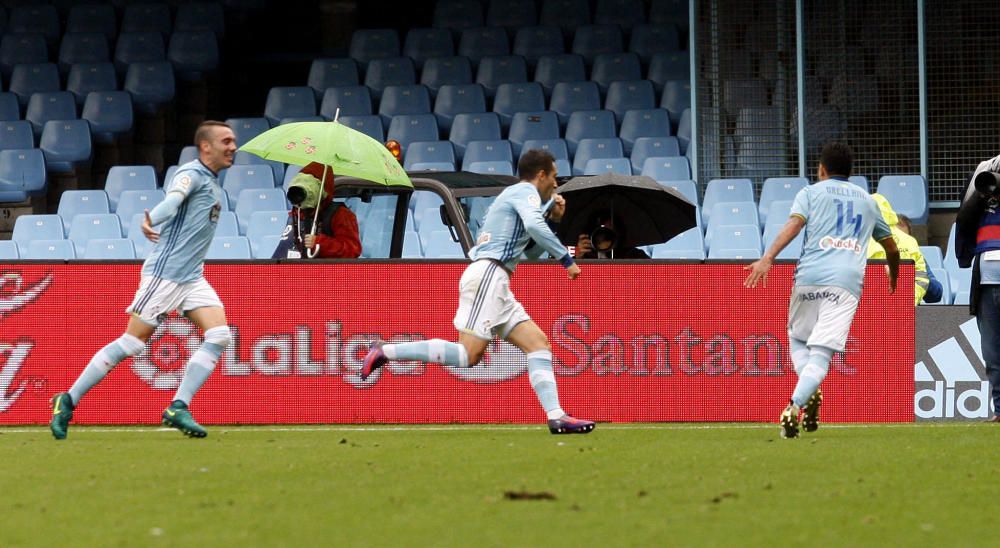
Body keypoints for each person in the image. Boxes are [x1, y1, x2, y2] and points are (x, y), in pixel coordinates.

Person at [360, 149, 595, 434]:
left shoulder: (518, 200)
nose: (556, 184)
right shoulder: (524, 191)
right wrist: (566, 259)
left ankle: (557, 415)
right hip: (488, 275)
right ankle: (386, 350)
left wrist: (551, 218)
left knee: (538, 344)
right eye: (554, 177)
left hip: (497, 279)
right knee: (466, 356)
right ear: (541, 175)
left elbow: (530, 252)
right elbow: (533, 225)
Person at [49, 121, 238, 439]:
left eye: (233, 141)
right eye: (226, 141)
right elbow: (174, 199)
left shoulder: (213, 182)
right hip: (165, 274)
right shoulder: (190, 173)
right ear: (206, 146)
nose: (233, 146)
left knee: (219, 335)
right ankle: (67, 400)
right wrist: (154, 218)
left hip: (191, 276)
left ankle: (178, 406)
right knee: (133, 343)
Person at [743, 142, 900, 438]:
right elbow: (891, 246)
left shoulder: (810, 193)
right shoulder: (869, 201)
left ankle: (805, 393)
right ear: (850, 172)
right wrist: (893, 273)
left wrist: (768, 258)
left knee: (797, 341)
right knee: (822, 354)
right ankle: (795, 404)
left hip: (809, 277)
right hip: (846, 283)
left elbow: (794, 225)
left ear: (822, 169)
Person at [955, 153, 1000, 422]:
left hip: (988, 275)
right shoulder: (983, 178)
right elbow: (964, 219)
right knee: (993, 350)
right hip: (986, 277)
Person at [272, 161, 362, 259]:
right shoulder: (296, 213)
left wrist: (320, 243)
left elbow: (352, 250)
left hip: (323, 272)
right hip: (291, 271)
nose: (299, 198)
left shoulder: (340, 215)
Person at [866, 193, 942, 305]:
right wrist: (908, 300)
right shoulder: (909, 243)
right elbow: (924, 282)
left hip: (867, 312)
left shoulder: (855, 241)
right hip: (904, 314)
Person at [574, 209, 650, 259]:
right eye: (599, 233)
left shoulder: (635, 255)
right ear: (590, 235)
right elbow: (566, 280)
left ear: (619, 233)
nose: (603, 238)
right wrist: (579, 258)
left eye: (607, 234)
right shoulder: (585, 256)